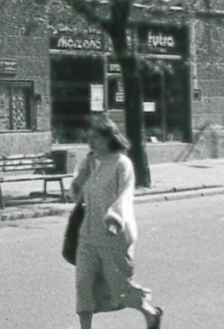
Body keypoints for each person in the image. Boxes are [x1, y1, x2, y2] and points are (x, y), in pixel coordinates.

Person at [70, 116, 163, 329]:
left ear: (108, 137)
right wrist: (77, 182)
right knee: (83, 284)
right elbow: (79, 195)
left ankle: (149, 313)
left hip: (114, 233)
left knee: (118, 286)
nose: (90, 143)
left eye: (95, 138)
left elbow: (125, 194)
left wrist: (114, 218)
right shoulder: (91, 162)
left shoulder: (122, 163)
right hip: (88, 233)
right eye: (88, 138)